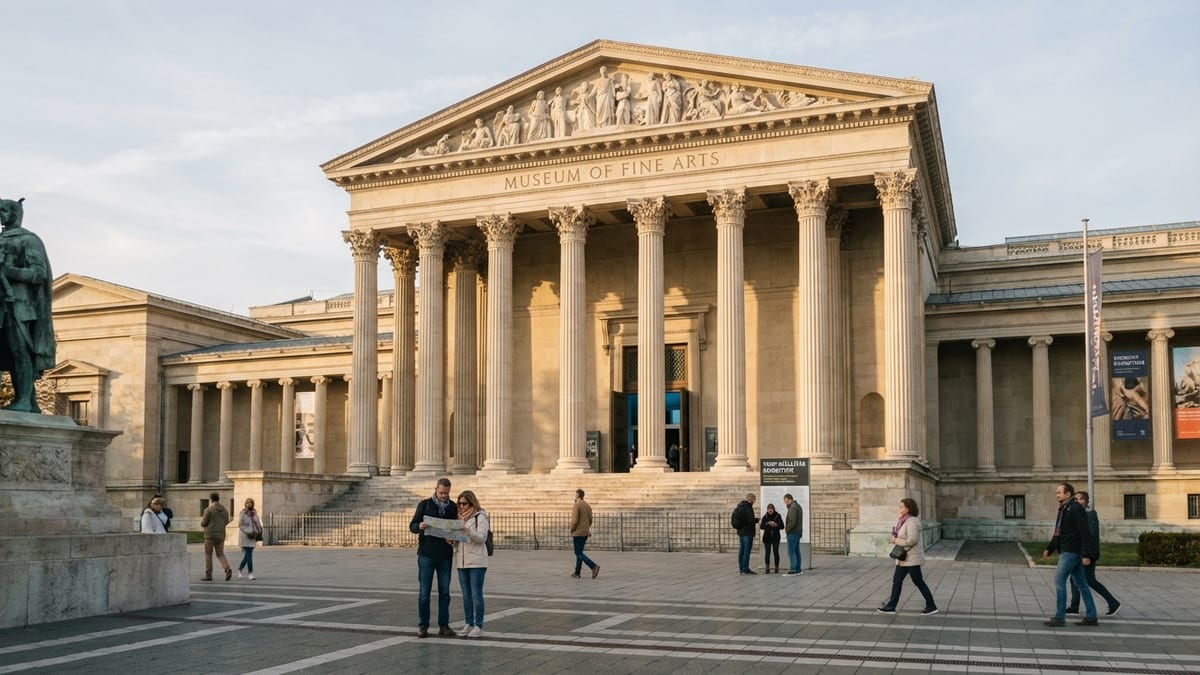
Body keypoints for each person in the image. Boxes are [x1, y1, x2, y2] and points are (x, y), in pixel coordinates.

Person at [0, 197, 55, 413]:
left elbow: (39, 273)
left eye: (4, 211)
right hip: (2, 302)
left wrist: (9, 271)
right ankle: (29, 402)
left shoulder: (29, 240)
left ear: (15, 213)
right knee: (9, 352)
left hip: (20, 304)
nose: (1, 215)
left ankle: (24, 400)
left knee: (20, 350)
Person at [1042, 482, 1098, 626]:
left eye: (1059, 492)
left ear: (1068, 494)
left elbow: (1084, 532)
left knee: (1059, 581)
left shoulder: (1075, 508)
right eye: (1056, 493)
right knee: (1081, 584)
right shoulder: (1064, 509)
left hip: (1072, 550)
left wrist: (1086, 554)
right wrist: (1050, 548)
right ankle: (1091, 616)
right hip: (1068, 549)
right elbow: (1058, 532)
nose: (1056, 495)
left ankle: (1060, 617)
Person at [409, 477, 458, 637]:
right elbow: (413, 526)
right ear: (436, 489)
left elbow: (455, 529)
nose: (444, 496)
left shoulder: (452, 507)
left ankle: (444, 625)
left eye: (446, 493)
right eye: (442, 493)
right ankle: (423, 625)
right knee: (424, 593)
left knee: (445, 592)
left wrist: (453, 536)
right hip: (427, 554)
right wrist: (420, 526)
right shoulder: (425, 504)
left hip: (445, 554)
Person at [877, 498, 938, 615]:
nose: (899, 509)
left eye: (901, 507)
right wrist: (896, 536)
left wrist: (896, 540)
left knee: (918, 581)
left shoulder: (912, 522)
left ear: (908, 508)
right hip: (903, 558)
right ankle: (891, 606)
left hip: (911, 558)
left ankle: (931, 605)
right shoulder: (903, 520)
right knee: (897, 580)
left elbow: (912, 540)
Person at [1067, 491, 1121, 616]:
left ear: (1086, 502)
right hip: (1079, 553)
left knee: (1090, 580)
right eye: (1076, 499)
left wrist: (1086, 555)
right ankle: (1074, 607)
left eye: (1081, 499)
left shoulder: (1090, 515)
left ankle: (1113, 603)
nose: (1078, 501)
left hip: (1088, 554)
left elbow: (1091, 536)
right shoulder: (1078, 515)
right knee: (1073, 579)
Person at [453, 490, 489, 638]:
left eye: (464, 503)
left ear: (472, 503)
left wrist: (468, 531)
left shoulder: (480, 517)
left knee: (476, 594)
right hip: (461, 561)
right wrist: (452, 540)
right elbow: (460, 541)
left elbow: (482, 538)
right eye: (459, 504)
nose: (461, 506)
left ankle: (478, 625)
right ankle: (468, 623)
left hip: (477, 561)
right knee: (466, 595)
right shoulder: (459, 518)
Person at [199, 492, 232, 581]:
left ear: (211, 499)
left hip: (210, 535)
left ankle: (208, 575)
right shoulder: (225, 510)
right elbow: (226, 521)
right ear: (218, 499)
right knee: (220, 554)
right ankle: (227, 568)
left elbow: (203, 523)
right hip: (221, 534)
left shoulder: (208, 510)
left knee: (208, 554)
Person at [570, 488, 599, 578]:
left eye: (575, 495)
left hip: (578, 533)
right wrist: (587, 528)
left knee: (578, 553)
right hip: (585, 532)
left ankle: (593, 566)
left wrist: (572, 529)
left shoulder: (577, 505)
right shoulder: (587, 505)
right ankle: (577, 572)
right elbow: (590, 520)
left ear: (578, 495)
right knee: (580, 552)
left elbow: (574, 521)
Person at [237, 497, 263, 580]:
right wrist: (248, 531)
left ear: (253, 504)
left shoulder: (255, 513)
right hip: (245, 535)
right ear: (245, 504)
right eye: (247, 502)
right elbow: (240, 525)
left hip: (253, 536)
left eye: (250, 502)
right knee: (249, 554)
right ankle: (250, 573)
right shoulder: (243, 513)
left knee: (247, 555)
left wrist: (259, 531)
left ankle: (239, 569)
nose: (249, 504)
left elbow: (258, 523)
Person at [732, 493, 757, 574]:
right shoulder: (748, 508)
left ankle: (741, 568)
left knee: (741, 550)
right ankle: (745, 568)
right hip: (747, 532)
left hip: (741, 532)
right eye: (754, 499)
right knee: (746, 551)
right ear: (752, 500)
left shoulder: (740, 506)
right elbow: (750, 520)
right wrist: (756, 520)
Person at [782, 493, 804, 576]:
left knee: (791, 551)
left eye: (786, 501)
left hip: (793, 532)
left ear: (790, 499)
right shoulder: (797, 506)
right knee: (796, 551)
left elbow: (792, 521)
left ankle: (793, 569)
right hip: (797, 532)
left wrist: (787, 529)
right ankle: (798, 569)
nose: (786, 503)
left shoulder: (793, 507)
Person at [760, 503, 783, 573]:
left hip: (776, 537)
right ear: (767, 510)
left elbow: (782, 526)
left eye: (771, 509)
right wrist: (767, 523)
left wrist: (776, 525)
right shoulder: (765, 516)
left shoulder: (778, 516)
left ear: (773, 509)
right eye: (769, 509)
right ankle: (767, 568)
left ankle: (776, 568)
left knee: (776, 552)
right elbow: (761, 526)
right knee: (767, 553)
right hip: (767, 538)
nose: (770, 510)